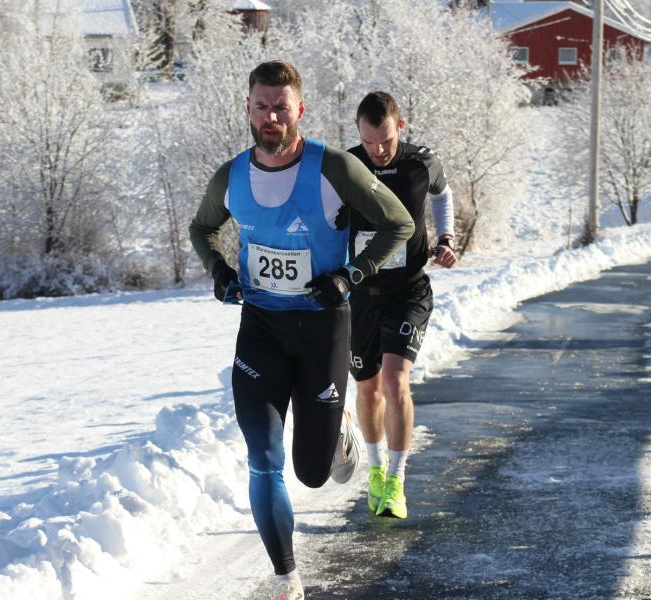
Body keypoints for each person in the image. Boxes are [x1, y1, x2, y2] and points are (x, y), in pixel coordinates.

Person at [188, 60, 414, 600]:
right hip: (261, 326)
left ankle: (336, 435)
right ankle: (287, 580)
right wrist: (219, 270)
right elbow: (201, 228)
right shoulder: (231, 176)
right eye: (262, 106)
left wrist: (349, 276)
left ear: (299, 111)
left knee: (313, 474)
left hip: (323, 327)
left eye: (281, 107)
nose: (271, 117)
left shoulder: (331, 168)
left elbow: (399, 223)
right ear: (247, 108)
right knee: (264, 460)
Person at [344, 91, 456, 520]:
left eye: (386, 140)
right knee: (368, 388)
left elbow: (443, 195)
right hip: (361, 294)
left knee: (395, 381)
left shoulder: (421, 162)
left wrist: (445, 239)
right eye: (370, 141)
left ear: (400, 127)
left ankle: (397, 479)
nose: (378, 150)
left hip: (408, 288)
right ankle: (374, 471)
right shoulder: (347, 167)